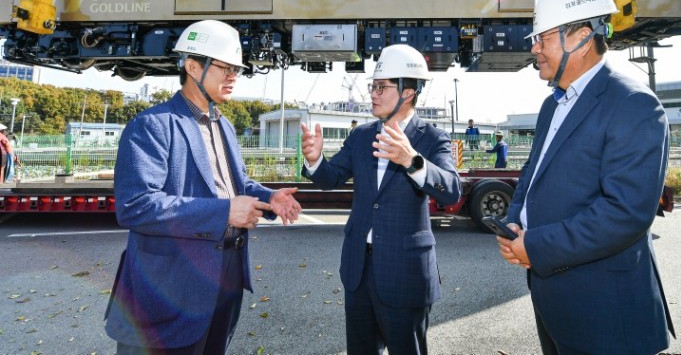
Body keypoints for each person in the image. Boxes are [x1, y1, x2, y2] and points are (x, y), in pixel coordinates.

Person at [496, 0, 675, 354]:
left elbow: (625, 213)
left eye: (541, 38)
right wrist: (515, 223)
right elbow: (533, 175)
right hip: (557, 304)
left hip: (606, 314)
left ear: (579, 37)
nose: (534, 49)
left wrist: (537, 245)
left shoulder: (633, 104)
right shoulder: (553, 104)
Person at [104, 20, 302, 355]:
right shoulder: (152, 126)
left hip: (224, 279)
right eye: (225, 68)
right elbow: (136, 205)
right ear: (193, 66)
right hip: (169, 288)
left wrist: (270, 198)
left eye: (237, 70)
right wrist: (225, 212)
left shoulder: (223, 125)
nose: (233, 77)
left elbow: (235, 184)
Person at [300, 44, 461, 355]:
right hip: (359, 269)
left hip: (405, 272)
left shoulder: (431, 137)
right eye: (372, 86)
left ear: (408, 91)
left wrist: (412, 160)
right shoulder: (361, 136)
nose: (372, 94)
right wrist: (316, 159)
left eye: (381, 87)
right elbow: (331, 178)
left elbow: (452, 189)